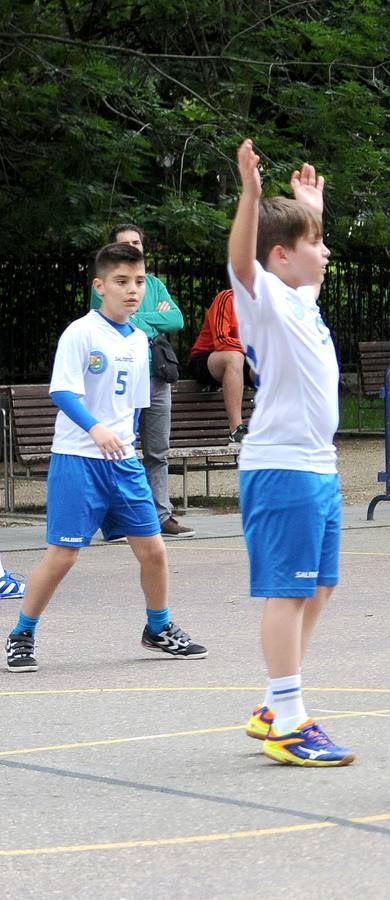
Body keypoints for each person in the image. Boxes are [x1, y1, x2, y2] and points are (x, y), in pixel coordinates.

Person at [5, 242, 206, 674]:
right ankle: (22, 632)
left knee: (154, 551)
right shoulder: (80, 333)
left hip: (123, 463)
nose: (132, 290)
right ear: (100, 287)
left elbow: (134, 404)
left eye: (138, 282)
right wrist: (95, 428)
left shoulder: (139, 339)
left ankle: (158, 627)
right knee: (64, 555)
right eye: (121, 282)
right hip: (78, 459)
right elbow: (62, 391)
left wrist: (126, 441)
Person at [228, 139, 352, 766]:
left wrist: (311, 212)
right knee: (287, 590)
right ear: (281, 255)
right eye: (315, 244)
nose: (326, 251)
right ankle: (289, 718)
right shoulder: (264, 298)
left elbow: (289, 253)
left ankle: (276, 703)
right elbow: (244, 260)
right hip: (281, 467)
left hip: (316, 466)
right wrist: (253, 196)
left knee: (318, 587)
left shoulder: (299, 301)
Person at [91, 224, 194, 538]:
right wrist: (151, 321)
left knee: (157, 450)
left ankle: (161, 515)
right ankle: (118, 519)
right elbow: (112, 322)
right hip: (122, 376)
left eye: (137, 242)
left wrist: (140, 320)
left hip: (156, 377)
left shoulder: (154, 285)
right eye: (126, 244)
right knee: (120, 447)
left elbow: (176, 320)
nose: (134, 248)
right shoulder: (106, 286)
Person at [188, 288, 253, 443]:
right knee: (234, 357)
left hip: (245, 360)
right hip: (208, 358)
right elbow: (221, 340)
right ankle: (236, 429)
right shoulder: (227, 298)